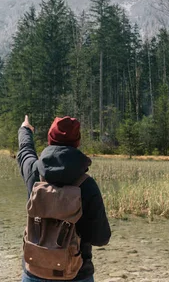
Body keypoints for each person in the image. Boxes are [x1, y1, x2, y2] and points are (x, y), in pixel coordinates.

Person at [17, 115, 111, 282]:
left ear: (49, 139)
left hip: (35, 272)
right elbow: (101, 238)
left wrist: (25, 129)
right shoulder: (87, 185)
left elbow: (25, 151)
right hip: (77, 273)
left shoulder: (35, 173)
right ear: (77, 143)